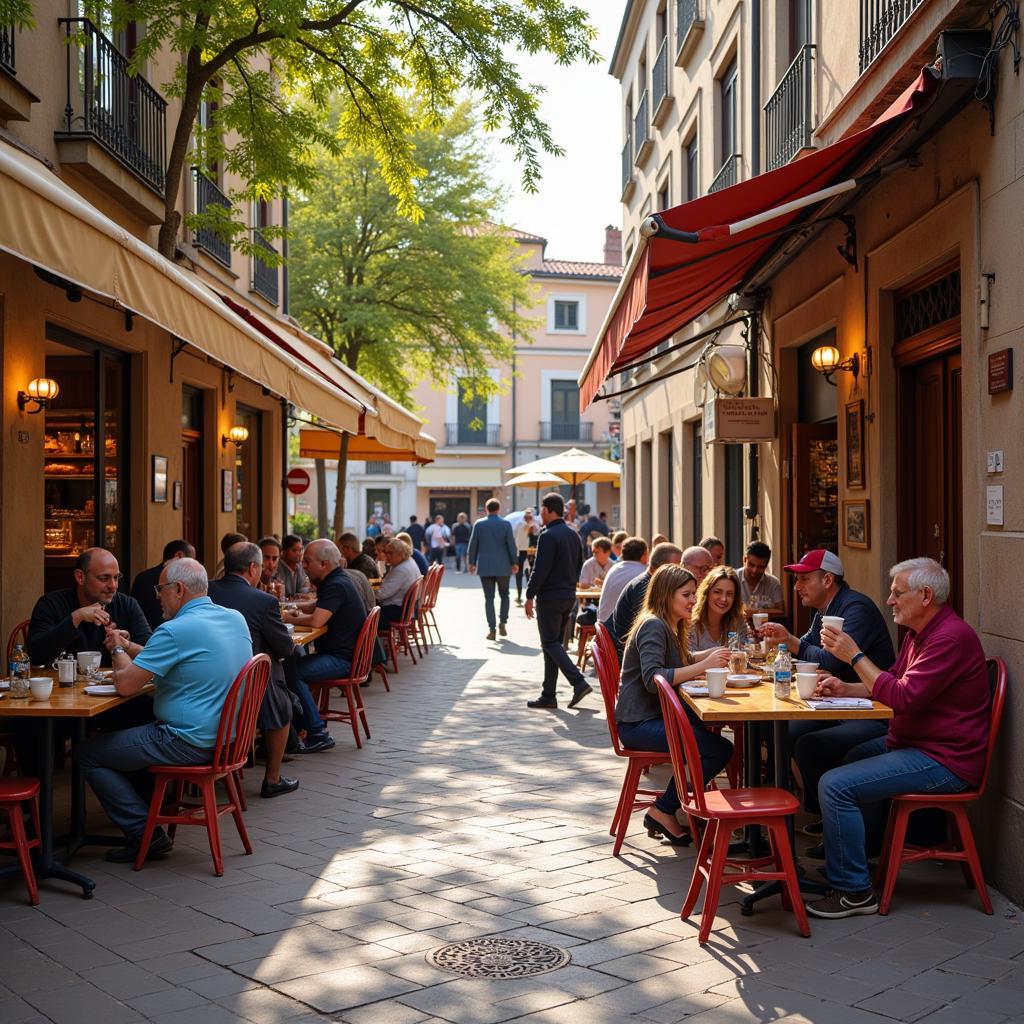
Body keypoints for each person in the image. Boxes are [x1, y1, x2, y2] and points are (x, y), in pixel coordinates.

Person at [806, 558, 990, 920]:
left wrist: (853, 655)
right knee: (846, 758)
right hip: (916, 743)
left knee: (835, 785)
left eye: (896, 593)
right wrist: (846, 687)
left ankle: (854, 892)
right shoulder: (920, 635)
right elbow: (889, 681)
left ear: (925, 595)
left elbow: (903, 696)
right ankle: (856, 864)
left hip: (945, 759)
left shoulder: (949, 638)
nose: (889, 600)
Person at [76, 558, 252, 863]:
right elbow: (177, 656)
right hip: (230, 741)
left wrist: (117, 650)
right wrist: (130, 648)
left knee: (87, 754)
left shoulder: (175, 629)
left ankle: (145, 831)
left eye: (161, 589)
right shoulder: (234, 618)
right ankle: (145, 819)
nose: (157, 595)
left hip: (186, 741)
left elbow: (127, 686)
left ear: (179, 589)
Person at [760, 549, 896, 838]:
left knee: (810, 743)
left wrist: (792, 642)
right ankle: (823, 814)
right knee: (783, 731)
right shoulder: (825, 610)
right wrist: (788, 642)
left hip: (873, 708)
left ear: (828, 580)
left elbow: (833, 660)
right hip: (839, 702)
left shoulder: (855, 608)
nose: (796, 586)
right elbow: (811, 650)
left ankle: (834, 820)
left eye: (803, 579)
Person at [615, 564, 733, 845]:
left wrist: (709, 655)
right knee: (718, 749)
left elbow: (678, 662)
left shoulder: (667, 624)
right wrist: (705, 664)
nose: (694, 600)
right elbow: (654, 678)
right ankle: (664, 809)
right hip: (638, 724)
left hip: (652, 718)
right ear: (667, 595)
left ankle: (684, 808)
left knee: (708, 729)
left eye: (693, 594)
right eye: (687, 595)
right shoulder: (653, 625)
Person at [208, 543, 299, 799]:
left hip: (209, 677)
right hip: (249, 681)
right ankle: (272, 778)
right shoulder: (264, 600)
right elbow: (284, 645)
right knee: (282, 702)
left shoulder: (206, 591)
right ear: (252, 568)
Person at [283, 540, 369, 753]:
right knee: (292, 659)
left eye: (307, 561)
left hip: (343, 660)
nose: (303, 565)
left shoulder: (336, 584)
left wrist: (287, 617)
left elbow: (315, 621)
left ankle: (317, 732)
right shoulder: (336, 580)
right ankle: (298, 725)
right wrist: (287, 607)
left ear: (323, 564)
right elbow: (315, 606)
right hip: (344, 654)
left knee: (293, 671)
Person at [28, 548, 152, 666]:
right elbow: (36, 656)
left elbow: (153, 656)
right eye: (104, 578)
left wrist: (126, 645)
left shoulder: (127, 605)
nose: (113, 586)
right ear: (80, 577)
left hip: (113, 685)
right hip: (61, 685)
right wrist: (76, 617)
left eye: (116, 577)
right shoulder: (51, 604)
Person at [525, 492, 590, 709]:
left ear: (547, 510)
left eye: (541, 511)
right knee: (552, 645)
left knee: (550, 643)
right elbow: (579, 564)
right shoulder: (573, 534)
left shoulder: (548, 535)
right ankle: (548, 694)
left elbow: (539, 570)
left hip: (550, 597)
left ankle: (578, 682)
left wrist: (529, 595)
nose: (540, 515)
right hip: (568, 595)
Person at [607, 543, 682, 650]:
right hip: (628, 652)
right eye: (677, 567)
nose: (681, 572)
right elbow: (650, 628)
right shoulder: (644, 588)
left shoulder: (650, 582)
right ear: (662, 567)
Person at [467, 499, 518, 640]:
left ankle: (492, 628)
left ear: (486, 508)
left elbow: (473, 545)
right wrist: (515, 562)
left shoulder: (479, 524)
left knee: (489, 598)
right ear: (499, 508)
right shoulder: (506, 524)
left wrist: (471, 562)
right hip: (503, 566)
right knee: (505, 595)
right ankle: (503, 621)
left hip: (485, 566)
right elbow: (511, 545)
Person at [130, 540, 195, 631]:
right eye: (192, 559)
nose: (158, 596)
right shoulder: (183, 580)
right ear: (179, 555)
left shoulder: (142, 577)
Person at [690, 566, 749, 651]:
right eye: (717, 592)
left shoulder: (738, 620)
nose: (723, 599)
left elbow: (744, 653)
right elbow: (687, 658)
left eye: (729, 594)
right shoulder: (691, 622)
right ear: (707, 593)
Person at [596, 537, 649, 625]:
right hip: (617, 630)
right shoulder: (643, 572)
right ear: (644, 555)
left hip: (603, 626)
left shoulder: (614, 568)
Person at [375, 538, 422, 627]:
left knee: (367, 613)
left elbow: (382, 594)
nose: (386, 556)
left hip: (397, 609)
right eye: (386, 552)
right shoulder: (408, 561)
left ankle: (372, 640)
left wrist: (368, 594)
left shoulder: (401, 570)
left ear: (400, 554)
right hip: (405, 608)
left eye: (390, 553)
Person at [739, 541, 785, 616]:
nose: (755, 570)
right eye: (751, 565)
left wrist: (753, 612)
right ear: (744, 559)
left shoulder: (774, 583)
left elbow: (781, 611)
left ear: (766, 566)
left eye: (760, 567)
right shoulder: (733, 578)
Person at [513, 509, 539, 604]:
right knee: (522, 573)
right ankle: (521, 595)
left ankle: (528, 595)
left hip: (528, 551)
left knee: (528, 573)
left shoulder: (534, 525)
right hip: (523, 550)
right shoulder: (521, 524)